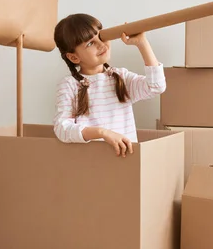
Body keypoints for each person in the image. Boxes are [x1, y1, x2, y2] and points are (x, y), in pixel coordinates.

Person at [52, 13, 166, 157]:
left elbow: (156, 86)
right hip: (91, 165)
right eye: (90, 43)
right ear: (74, 57)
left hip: (126, 161)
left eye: (101, 36)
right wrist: (102, 133)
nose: (101, 44)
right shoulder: (69, 86)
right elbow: (63, 129)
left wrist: (142, 43)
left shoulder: (120, 77)